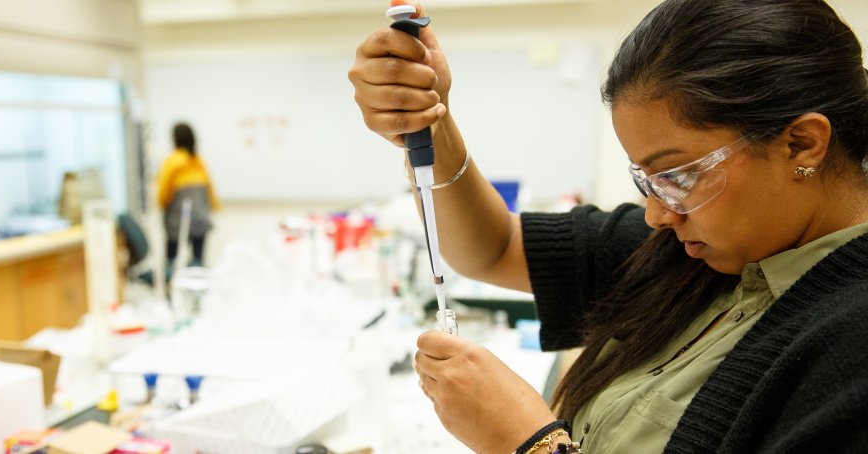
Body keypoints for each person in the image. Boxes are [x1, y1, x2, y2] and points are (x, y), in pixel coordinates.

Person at [348, 0, 868, 453]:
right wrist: (431, 119)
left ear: (801, 144)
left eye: (680, 175)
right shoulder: (698, 252)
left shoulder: (849, 344)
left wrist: (528, 440)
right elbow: (496, 247)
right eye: (648, 180)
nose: (658, 215)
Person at [157, 122, 221, 268]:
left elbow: (163, 194)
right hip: (200, 218)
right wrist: (213, 208)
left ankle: (171, 285)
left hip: (177, 220)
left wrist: (161, 204)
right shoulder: (198, 161)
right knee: (198, 262)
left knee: (172, 260)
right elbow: (210, 190)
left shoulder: (171, 162)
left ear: (174, 139)